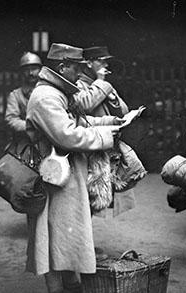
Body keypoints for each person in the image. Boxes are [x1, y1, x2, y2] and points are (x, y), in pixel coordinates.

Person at [25, 43, 141, 293]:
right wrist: (105, 137)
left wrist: (109, 122)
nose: (80, 73)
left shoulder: (56, 92)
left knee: (67, 232)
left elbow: (79, 122)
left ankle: (70, 286)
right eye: (76, 67)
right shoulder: (45, 97)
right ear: (62, 67)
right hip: (51, 177)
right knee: (51, 234)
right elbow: (67, 135)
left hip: (64, 176)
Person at [76, 46, 136, 259]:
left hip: (104, 146)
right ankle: (83, 249)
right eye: (102, 61)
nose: (106, 65)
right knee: (86, 200)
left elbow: (124, 110)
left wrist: (112, 98)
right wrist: (101, 84)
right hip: (88, 147)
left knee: (95, 200)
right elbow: (82, 107)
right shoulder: (78, 83)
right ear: (89, 63)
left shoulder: (104, 83)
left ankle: (85, 247)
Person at [4, 51, 42, 149]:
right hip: (24, 142)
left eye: (34, 69)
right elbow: (11, 119)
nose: (30, 73)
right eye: (27, 70)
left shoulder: (47, 92)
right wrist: (32, 127)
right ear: (21, 72)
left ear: (40, 70)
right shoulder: (15, 95)